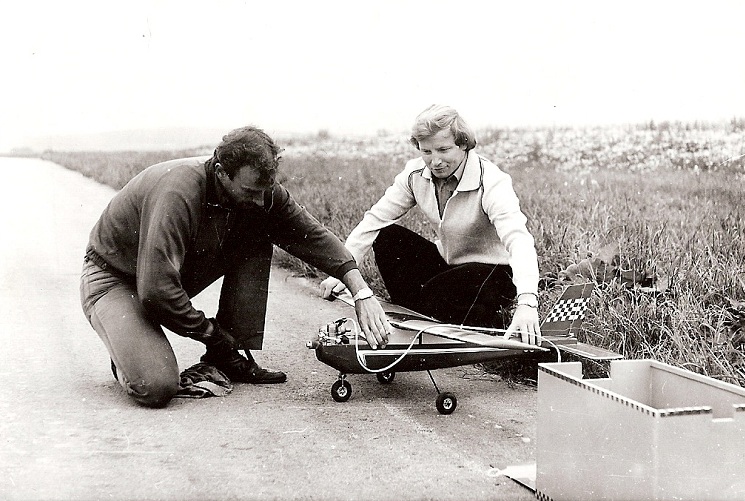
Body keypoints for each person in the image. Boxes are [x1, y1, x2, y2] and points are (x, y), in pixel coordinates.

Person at [80, 126, 390, 408]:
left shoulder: (260, 192)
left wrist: (361, 292)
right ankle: (130, 350)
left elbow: (312, 236)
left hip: (163, 276)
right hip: (115, 279)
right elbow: (156, 291)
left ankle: (227, 357)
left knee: (257, 233)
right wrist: (211, 333)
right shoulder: (178, 192)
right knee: (156, 386)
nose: (261, 201)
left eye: (265, 191)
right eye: (251, 192)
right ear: (221, 172)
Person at [321, 105, 541, 344]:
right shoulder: (414, 174)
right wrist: (343, 273)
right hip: (449, 265)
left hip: (493, 271)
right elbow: (375, 220)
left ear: (463, 144)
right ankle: (418, 317)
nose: (435, 161)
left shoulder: (491, 180)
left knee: (437, 294)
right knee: (388, 237)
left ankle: (464, 320)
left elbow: (518, 240)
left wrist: (527, 302)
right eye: (426, 151)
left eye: (444, 150)